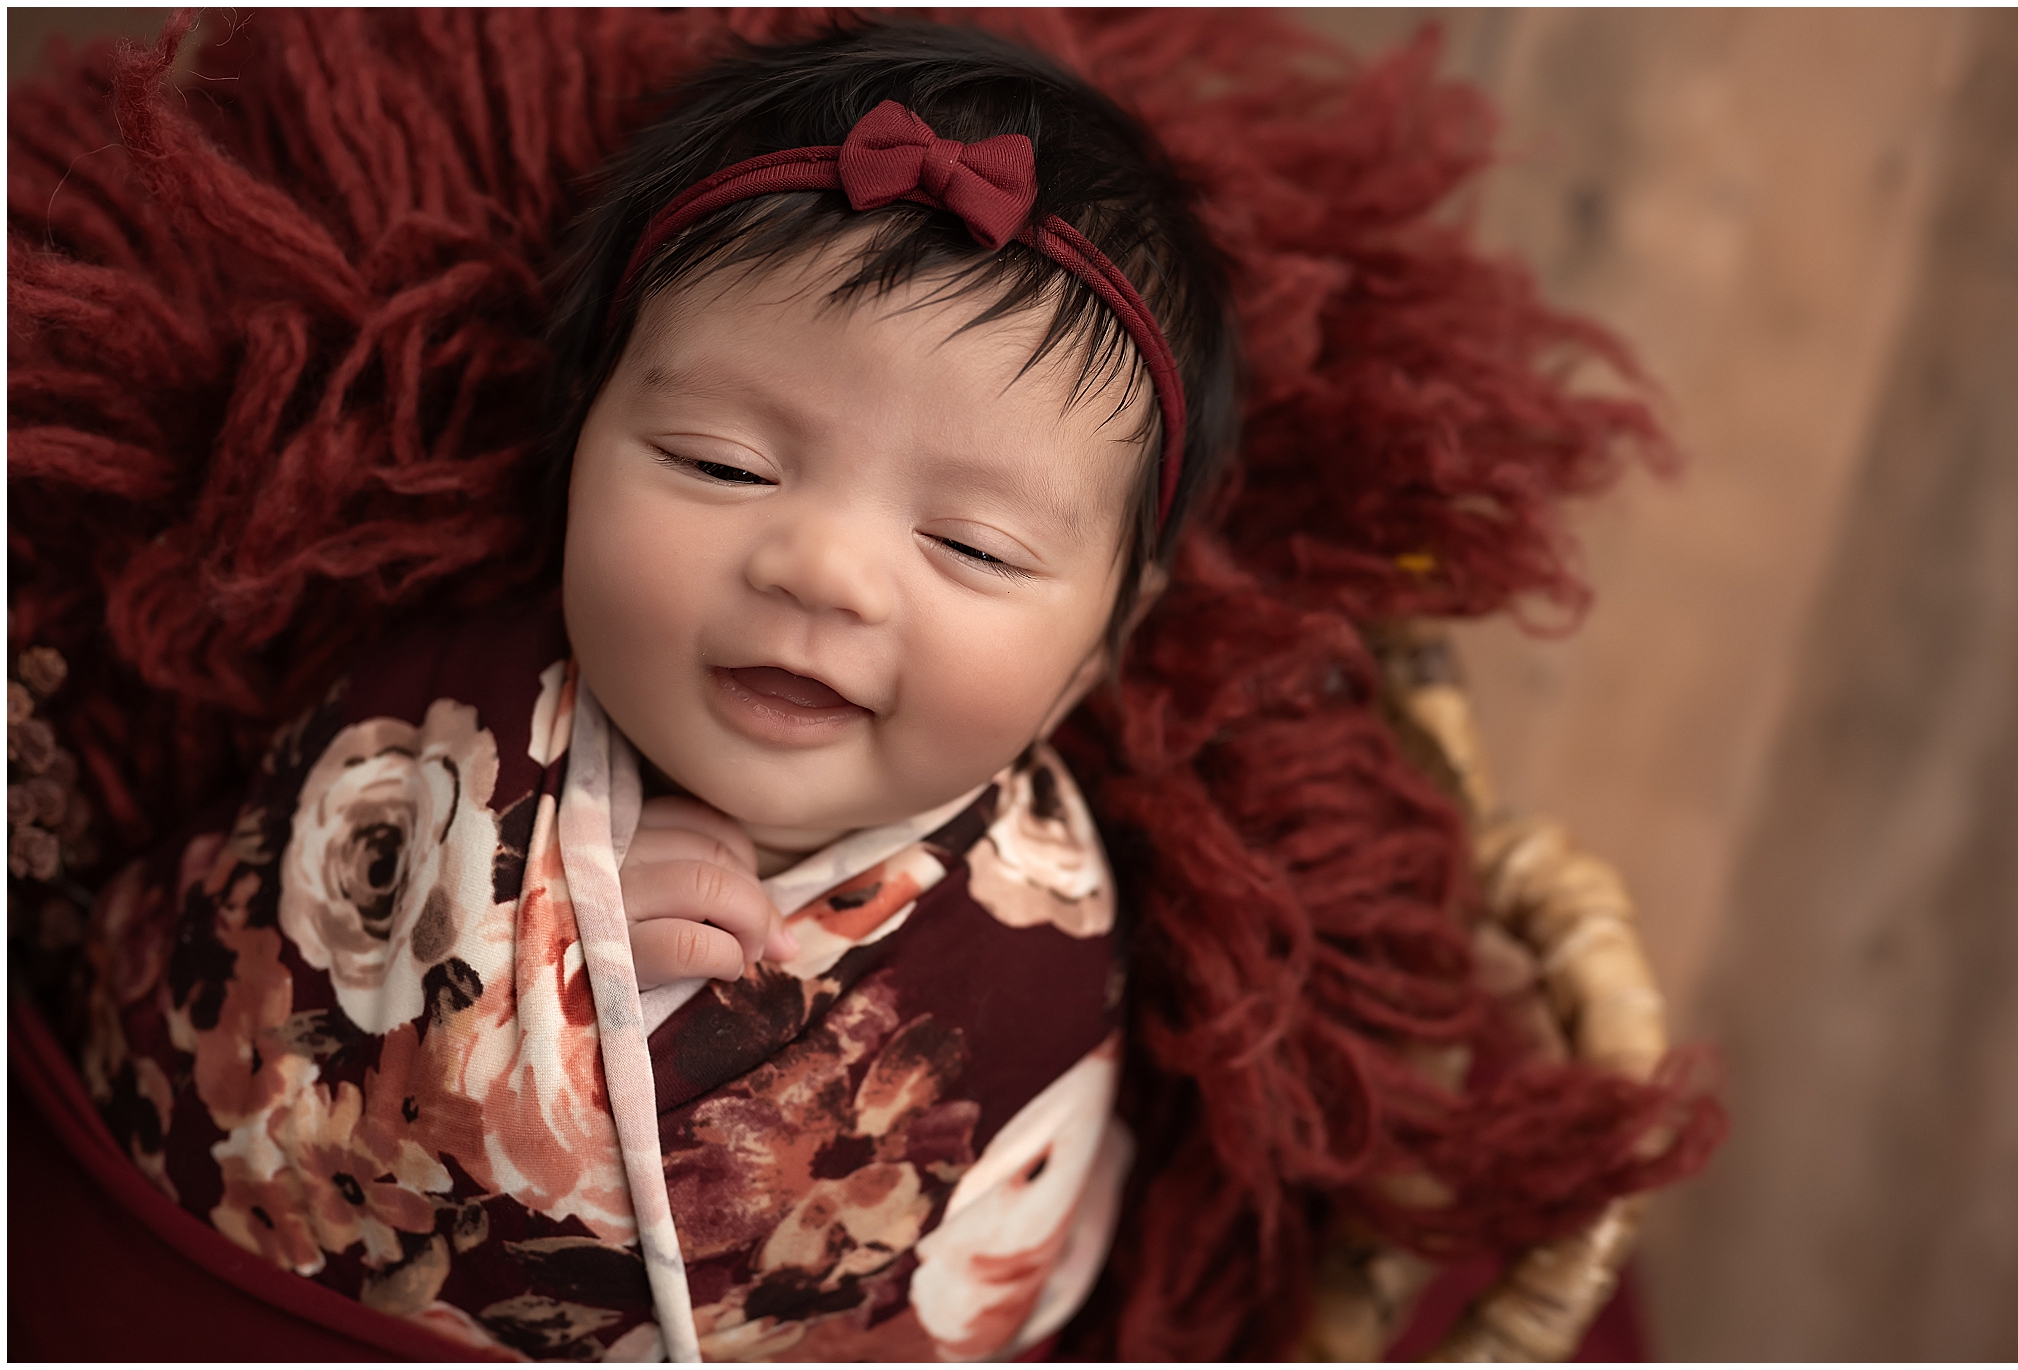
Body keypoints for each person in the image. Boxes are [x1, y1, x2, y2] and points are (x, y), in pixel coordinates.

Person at [8, 11, 1719, 1362]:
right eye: (721, 461)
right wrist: (522, 911)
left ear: (1112, 641)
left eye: (972, 548)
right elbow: (214, 942)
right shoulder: (425, 690)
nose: (824, 569)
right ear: (572, 450)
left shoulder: (1039, 919)